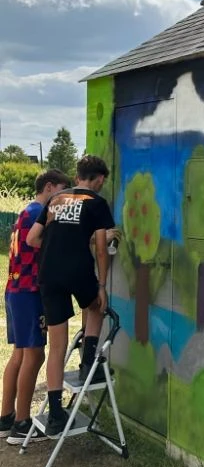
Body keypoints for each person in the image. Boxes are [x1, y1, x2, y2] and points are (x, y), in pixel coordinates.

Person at [27, 154, 115, 436]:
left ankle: (55, 414)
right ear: (99, 179)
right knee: (96, 305)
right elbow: (101, 248)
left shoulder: (56, 199)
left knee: (57, 346)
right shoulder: (97, 203)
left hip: (49, 273)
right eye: (102, 181)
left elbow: (32, 238)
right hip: (77, 270)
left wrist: (59, 241)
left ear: (78, 175)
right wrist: (102, 285)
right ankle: (88, 362)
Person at [1, 169, 71, 444]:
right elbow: (50, 244)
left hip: (15, 289)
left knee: (20, 354)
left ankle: (6, 417)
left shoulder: (26, 211)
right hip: (29, 292)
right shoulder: (38, 214)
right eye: (63, 191)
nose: (64, 198)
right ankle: (22, 424)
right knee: (34, 356)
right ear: (49, 187)